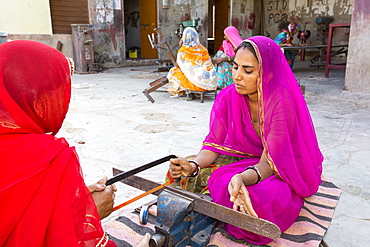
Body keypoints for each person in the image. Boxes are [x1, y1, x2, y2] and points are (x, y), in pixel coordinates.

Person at [166, 36, 323, 245]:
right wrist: (193, 165)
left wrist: (242, 178)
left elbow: (269, 163)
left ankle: (218, 201)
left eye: (247, 70)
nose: (237, 76)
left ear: (268, 74)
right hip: (240, 158)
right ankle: (216, 200)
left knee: (261, 200)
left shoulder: (281, 101)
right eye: (235, 67)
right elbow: (213, 145)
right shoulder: (227, 97)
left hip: (279, 165)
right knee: (180, 171)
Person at [0, 40, 149, 247]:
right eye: (57, 91)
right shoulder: (50, 157)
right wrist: (88, 213)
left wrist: (73, 199)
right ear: (36, 98)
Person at [167, 27, 217, 98]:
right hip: (210, 84)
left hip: (196, 86)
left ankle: (183, 91)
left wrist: (181, 46)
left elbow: (177, 65)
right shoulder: (203, 49)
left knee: (173, 71)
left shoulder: (183, 51)